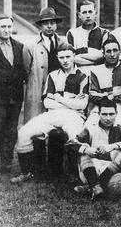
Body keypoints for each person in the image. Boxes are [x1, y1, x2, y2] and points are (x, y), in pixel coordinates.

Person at [11, 44, 88, 184]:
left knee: (75, 137)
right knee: (23, 132)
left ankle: (74, 173)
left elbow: (82, 105)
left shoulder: (83, 76)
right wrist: (69, 101)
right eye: (61, 57)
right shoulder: (53, 75)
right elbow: (47, 103)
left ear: (74, 57)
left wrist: (57, 98)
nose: (65, 60)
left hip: (74, 116)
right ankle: (27, 172)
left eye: (68, 57)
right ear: (57, 58)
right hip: (52, 114)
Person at [22, 7, 65, 176]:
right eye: (46, 23)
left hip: (56, 93)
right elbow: (26, 69)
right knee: (37, 127)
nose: (49, 26)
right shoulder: (31, 45)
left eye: (52, 23)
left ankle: (55, 168)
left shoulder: (62, 43)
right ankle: (38, 167)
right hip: (37, 91)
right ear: (40, 25)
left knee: (57, 127)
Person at [71, 100, 121, 199]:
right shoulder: (91, 128)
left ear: (116, 114)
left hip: (114, 170)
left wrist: (111, 146)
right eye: (104, 114)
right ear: (99, 114)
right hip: (90, 169)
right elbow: (71, 143)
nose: (108, 118)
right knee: (83, 152)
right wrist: (86, 149)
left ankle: (92, 187)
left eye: (111, 114)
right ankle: (95, 185)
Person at [0, 14, 27, 174]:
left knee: (11, 132)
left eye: (9, 27)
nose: (6, 30)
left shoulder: (19, 46)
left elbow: (23, 71)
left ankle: (6, 164)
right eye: (3, 26)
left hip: (15, 98)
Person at [87, 39, 121, 130]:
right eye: (108, 51)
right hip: (100, 107)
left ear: (120, 52)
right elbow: (92, 95)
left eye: (115, 50)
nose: (112, 54)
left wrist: (104, 94)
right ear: (103, 53)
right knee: (90, 126)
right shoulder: (96, 70)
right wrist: (114, 94)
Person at [66, 0, 111, 74]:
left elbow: (105, 57)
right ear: (79, 15)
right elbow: (71, 58)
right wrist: (95, 61)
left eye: (90, 12)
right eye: (84, 12)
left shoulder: (104, 33)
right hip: (79, 75)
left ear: (95, 14)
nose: (88, 15)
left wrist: (81, 56)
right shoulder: (72, 33)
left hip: (100, 74)